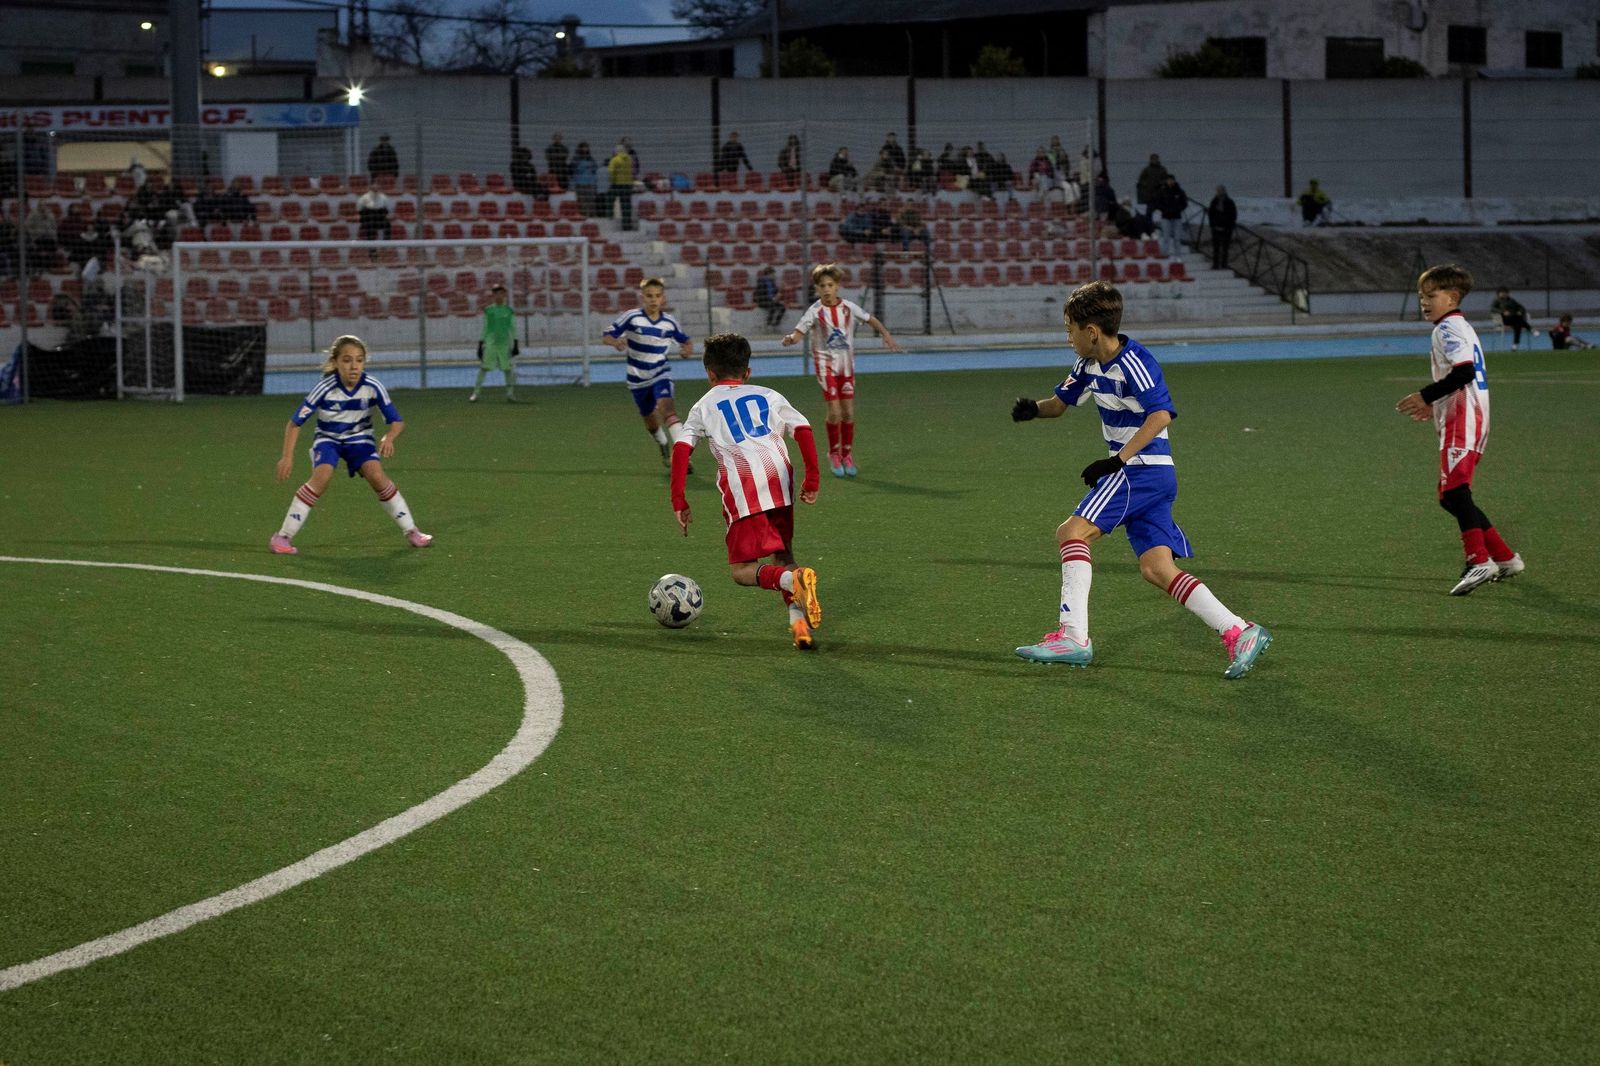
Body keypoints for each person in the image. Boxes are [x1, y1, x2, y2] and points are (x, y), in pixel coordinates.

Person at [1009, 280, 1272, 678]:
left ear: (1091, 331)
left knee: (1071, 533)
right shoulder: (1087, 365)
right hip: (1149, 475)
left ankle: (1074, 637)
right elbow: (1059, 405)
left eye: (1069, 330)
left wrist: (1118, 460)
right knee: (1156, 569)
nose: (1067, 338)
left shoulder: (1136, 362)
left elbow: (1160, 415)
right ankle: (1239, 630)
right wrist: (1034, 409)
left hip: (1141, 470)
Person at [671, 332, 823, 651]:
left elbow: (682, 449)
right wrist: (812, 477)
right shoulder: (768, 394)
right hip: (780, 478)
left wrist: (679, 499)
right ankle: (798, 623)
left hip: (744, 486)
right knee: (784, 556)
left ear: (710, 373)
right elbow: (803, 430)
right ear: (747, 372)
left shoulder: (704, 405)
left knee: (741, 571)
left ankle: (790, 581)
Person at [1395, 264, 1524, 595]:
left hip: (1463, 419)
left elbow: (1464, 372)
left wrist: (1426, 395)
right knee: (1449, 496)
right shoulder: (1457, 325)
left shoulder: (1448, 328)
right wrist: (1435, 403)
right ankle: (1505, 558)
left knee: (1454, 492)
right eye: (1421, 297)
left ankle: (1478, 559)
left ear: (1452, 297)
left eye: (1431, 296)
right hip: (1467, 417)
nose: (1424, 302)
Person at [270, 334, 432, 555]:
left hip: (359, 438)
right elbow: (294, 423)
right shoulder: (324, 388)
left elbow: (397, 421)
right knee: (322, 477)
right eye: (347, 360)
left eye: (359, 360)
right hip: (328, 438)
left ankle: (412, 531)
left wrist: (389, 437)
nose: (354, 366)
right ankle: (283, 537)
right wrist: (287, 457)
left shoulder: (373, 386)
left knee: (377, 475)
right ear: (335, 362)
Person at [781, 262, 900, 478]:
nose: (826, 289)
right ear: (817, 289)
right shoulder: (815, 311)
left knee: (848, 413)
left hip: (846, 367)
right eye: (822, 286)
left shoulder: (849, 308)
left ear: (837, 286)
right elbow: (799, 332)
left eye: (830, 285)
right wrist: (791, 339)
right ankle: (834, 453)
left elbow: (870, 319)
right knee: (835, 412)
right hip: (826, 367)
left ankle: (847, 454)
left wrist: (886, 334)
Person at [601, 277, 696, 468]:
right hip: (637, 379)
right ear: (642, 297)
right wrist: (615, 342)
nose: (654, 299)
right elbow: (607, 335)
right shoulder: (631, 317)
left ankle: (682, 458)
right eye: (649, 296)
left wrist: (687, 350)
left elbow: (686, 341)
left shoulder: (669, 323)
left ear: (663, 298)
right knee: (650, 421)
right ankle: (663, 444)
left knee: (668, 411)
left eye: (658, 296)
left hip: (661, 373)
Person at [470, 284, 518, 403]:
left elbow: (513, 328)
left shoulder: (509, 310)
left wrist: (516, 343)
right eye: (496, 293)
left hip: (504, 344)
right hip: (491, 343)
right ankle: (475, 393)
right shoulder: (489, 310)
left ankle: (510, 394)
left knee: (508, 369)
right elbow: (485, 328)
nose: (498, 295)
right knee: (484, 368)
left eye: (500, 293)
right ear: (493, 295)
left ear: (504, 295)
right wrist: (480, 344)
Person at [1154, 174, 1188, 257]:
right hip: (1166, 217)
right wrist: (1164, 209)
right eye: (1168, 180)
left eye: (1171, 180)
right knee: (1166, 237)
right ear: (1166, 181)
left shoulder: (1180, 191)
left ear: (1174, 181)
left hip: (1177, 217)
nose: (1170, 181)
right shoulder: (1162, 191)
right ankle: (1164, 254)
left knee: (1177, 238)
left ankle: (1178, 256)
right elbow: (1157, 203)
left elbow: (1184, 203)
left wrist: (1178, 209)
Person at [1207, 185, 1237, 270]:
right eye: (1218, 191)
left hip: (1226, 228)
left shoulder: (1230, 202)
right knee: (1216, 248)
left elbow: (1233, 215)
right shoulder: (1214, 201)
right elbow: (1210, 213)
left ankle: (1224, 264)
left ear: (1224, 191)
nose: (1219, 192)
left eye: (1220, 191)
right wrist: (1212, 225)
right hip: (1216, 228)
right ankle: (1215, 264)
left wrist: (1230, 226)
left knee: (1225, 248)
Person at [607, 143, 635, 230]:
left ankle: (609, 216)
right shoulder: (629, 159)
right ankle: (627, 225)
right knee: (626, 205)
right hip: (628, 185)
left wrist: (611, 182)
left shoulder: (615, 160)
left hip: (617, 184)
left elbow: (611, 172)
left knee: (610, 199)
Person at [1135, 153, 1169, 219]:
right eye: (1153, 159)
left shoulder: (1162, 169)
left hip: (1160, 196)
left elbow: (1167, 179)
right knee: (1149, 213)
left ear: (1158, 160)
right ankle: (1148, 224)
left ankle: (1165, 224)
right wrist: (1146, 184)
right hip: (1150, 197)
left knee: (1165, 212)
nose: (1154, 160)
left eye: (1156, 159)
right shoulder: (1146, 169)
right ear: (1150, 160)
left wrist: (1161, 183)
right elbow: (1140, 180)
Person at [753, 266, 785, 330]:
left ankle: (776, 324)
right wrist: (772, 299)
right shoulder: (761, 281)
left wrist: (778, 294)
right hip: (763, 301)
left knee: (782, 308)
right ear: (769, 274)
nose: (774, 275)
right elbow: (761, 294)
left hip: (771, 300)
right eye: (773, 274)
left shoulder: (772, 282)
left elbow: (775, 292)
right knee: (772, 307)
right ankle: (769, 324)